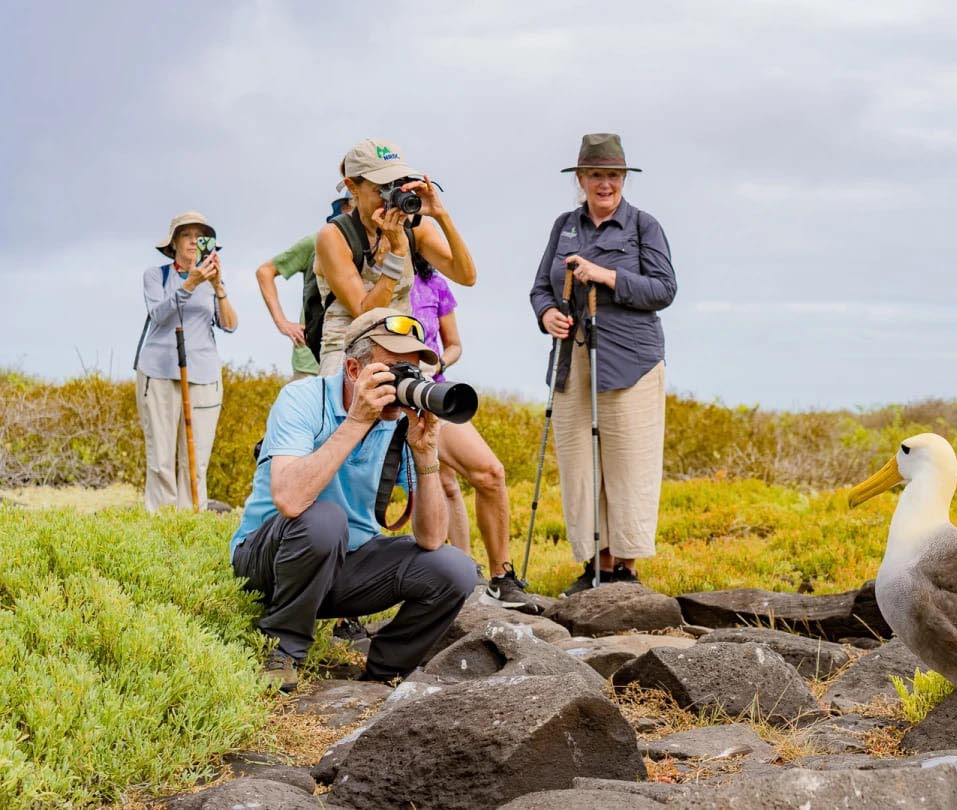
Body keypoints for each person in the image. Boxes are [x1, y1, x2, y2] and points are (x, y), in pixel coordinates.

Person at [229, 308, 478, 692]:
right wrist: (357, 422)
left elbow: (431, 538)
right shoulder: (303, 399)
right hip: (270, 561)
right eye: (392, 371)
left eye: (411, 373)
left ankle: (383, 673)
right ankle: (282, 649)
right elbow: (291, 501)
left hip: (343, 566)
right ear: (352, 369)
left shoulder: (399, 425)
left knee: (455, 569)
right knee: (325, 521)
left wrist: (427, 456)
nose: (401, 384)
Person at [529, 134, 677, 596]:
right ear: (580, 178)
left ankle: (626, 569)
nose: (605, 183)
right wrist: (546, 314)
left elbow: (663, 289)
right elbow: (539, 287)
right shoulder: (564, 225)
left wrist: (605, 276)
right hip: (572, 359)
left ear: (623, 178)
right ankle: (596, 565)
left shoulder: (642, 226)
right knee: (579, 465)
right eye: (596, 175)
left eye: (613, 175)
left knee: (629, 465)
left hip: (630, 360)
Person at [410, 264, 530, 609]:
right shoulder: (370, 270)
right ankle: (454, 573)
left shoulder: (433, 283)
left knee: (489, 473)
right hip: (384, 395)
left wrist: (437, 364)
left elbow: (455, 344)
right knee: (429, 484)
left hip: (431, 390)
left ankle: (500, 579)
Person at [312, 138, 477, 376]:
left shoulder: (414, 228)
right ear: (353, 186)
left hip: (399, 343)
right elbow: (366, 314)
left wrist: (441, 215)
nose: (390, 197)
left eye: (397, 184)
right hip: (348, 346)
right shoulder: (334, 236)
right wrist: (397, 252)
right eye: (382, 188)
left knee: (425, 408)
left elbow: (466, 276)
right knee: (347, 406)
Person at [134, 211, 238, 511]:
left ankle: (190, 519)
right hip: (159, 372)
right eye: (187, 235)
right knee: (161, 457)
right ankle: (161, 523)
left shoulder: (212, 282)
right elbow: (159, 314)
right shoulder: (157, 276)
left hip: (204, 375)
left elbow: (230, 325)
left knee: (197, 457)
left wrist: (218, 287)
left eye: (200, 236)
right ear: (174, 242)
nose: (194, 241)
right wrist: (189, 284)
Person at [254, 193, 354, 379]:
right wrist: (282, 323)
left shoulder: (379, 245)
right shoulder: (317, 241)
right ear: (344, 208)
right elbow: (265, 272)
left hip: (356, 353)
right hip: (310, 360)